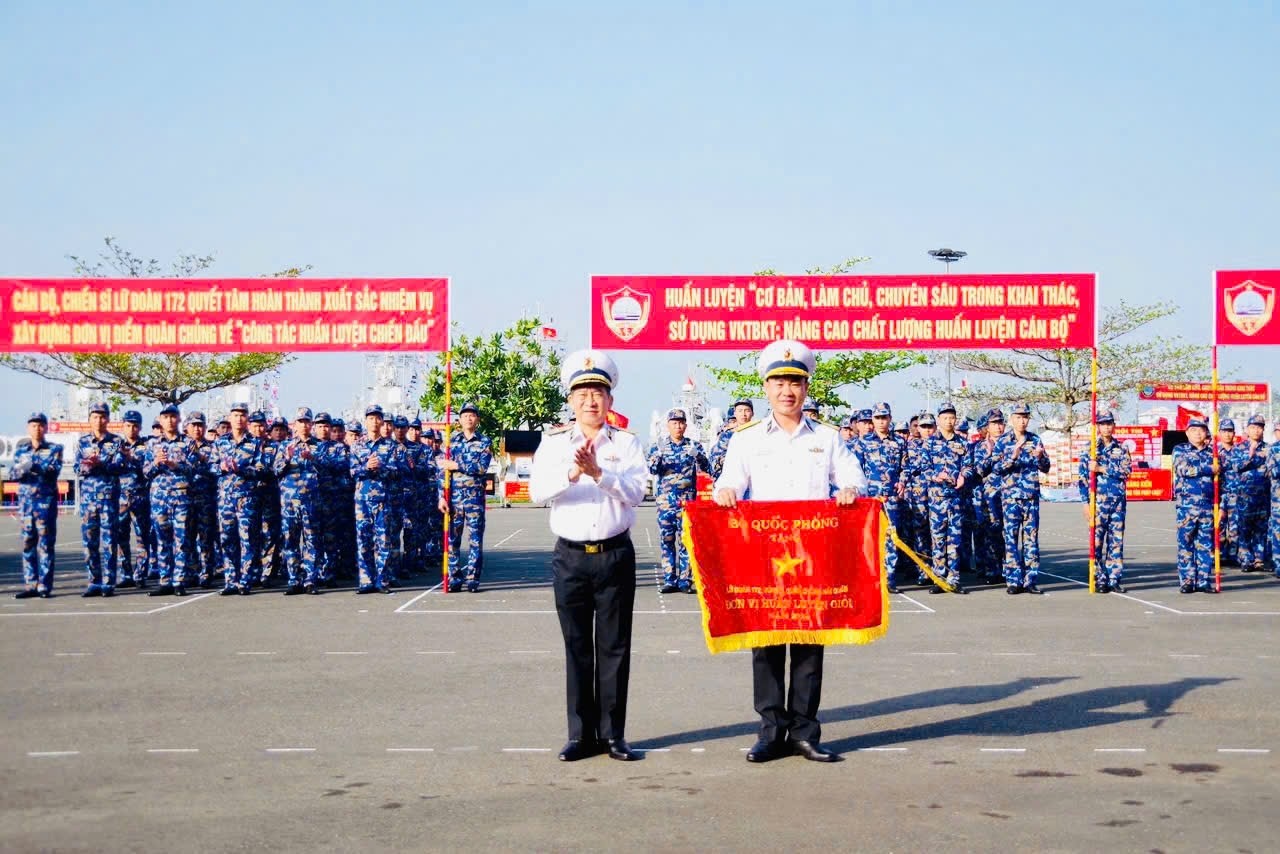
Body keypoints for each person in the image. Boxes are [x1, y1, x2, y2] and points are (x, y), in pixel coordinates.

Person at [714, 339, 867, 763]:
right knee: (765, 644)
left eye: (796, 382)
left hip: (812, 554)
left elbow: (852, 476)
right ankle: (769, 731)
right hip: (762, 555)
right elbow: (728, 482)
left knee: (807, 643)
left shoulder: (829, 438)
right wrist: (725, 491)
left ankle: (804, 731)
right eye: (779, 381)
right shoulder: (745, 440)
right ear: (766, 387)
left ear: (805, 387)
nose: (788, 390)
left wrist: (850, 489)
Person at [529, 350, 647, 762]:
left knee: (614, 648)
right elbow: (536, 492)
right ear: (571, 400)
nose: (590, 401)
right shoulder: (554, 442)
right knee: (577, 646)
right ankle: (580, 735)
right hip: (571, 558)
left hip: (614, 554)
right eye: (582, 393)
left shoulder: (627, 444)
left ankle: (613, 734)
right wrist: (572, 472)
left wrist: (601, 473)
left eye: (598, 392)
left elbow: (637, 493)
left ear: (610, 400)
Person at [646, 408, 709, 594]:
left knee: (686, 541)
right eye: (674, 423)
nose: (678, 426)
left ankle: (685, 580)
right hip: (666, 502)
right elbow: (652, 469)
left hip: (687, 502)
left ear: (686, 425)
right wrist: (658, 455)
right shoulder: (659, 446)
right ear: (668, 426)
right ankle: (669, 579)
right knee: (667, 540)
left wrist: (697, 455)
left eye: (681, 423)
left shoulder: (693, 445)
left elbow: (707, 468)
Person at [994, 402, 1051, 595]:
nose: (1022, 421)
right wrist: (1013, 455)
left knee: (1031, 540)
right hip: (1010, 498)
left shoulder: (1035, 439)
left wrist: (1041, 457)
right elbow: (996, 469)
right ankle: (1013, 579)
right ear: (1011, 419)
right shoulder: (1003, 441)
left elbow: (1046, 467)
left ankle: (1030, 579)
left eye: (1025, 417)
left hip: (1030, 497)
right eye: (1018, 417)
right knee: (1010, 539)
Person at [437, 402, 492, 592]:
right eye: (465, 415)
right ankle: (454, 578)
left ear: (477, 419)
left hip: (475, 499)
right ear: (459, 420)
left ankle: (473, 579)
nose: (469, 418)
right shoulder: (451, 442)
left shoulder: (484, 442)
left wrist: (457, 465)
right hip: (454, 499)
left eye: (472, 415)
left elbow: (481, 467)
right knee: (452, 540)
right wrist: (441, 497)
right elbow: (443, 470)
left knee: (475, 540)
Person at [853, 401, 907, 594]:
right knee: (869, 538)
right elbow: (855, 469)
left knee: (890, 538)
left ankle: (889, 578)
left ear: (890, 419)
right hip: (870, 499)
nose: (881, 421)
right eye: (877, 418)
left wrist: (902, 481)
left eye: (884, 417)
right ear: (872, 420)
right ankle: (869, 577)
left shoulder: (900, 442)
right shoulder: (864, 442)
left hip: (891, 498)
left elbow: (905, 467)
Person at [145, 404, 197, 596]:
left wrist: (175, 465)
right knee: (162, 540)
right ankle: (165, 580)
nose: (169, 420)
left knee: (181, 540)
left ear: (178, 419)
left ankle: (179, 580)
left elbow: (194, 470)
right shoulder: (152, 444)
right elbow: (145, 472)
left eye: (172, 416)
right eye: (165, 417)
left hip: (181, 498)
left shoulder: (188, 443)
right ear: (160, 419)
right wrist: (156, 464)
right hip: (160, 499)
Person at [351, 405, 404, 594]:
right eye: (371, 418)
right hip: (362, 500)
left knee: (383, 540)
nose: (374, 421)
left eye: (377, 418)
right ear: (366, 421)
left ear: (382, 421)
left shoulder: (390, 446)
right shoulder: (357, 445)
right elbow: (352, 471)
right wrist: (367, 467)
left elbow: (397, 471)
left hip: (382, 499)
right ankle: (366, 581)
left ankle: (382, 580)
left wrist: (380, 466)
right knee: (363, 540)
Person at [1078, 410, 1132, 593]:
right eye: (1103, 423)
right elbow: (1083, 479)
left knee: (1116, 541)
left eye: (1109, 423)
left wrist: (1101, 468)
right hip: (1098, 502)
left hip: (1117, 502)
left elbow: (1126, 472)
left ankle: (1114, 577)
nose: (1106, 427)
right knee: (1097, 541)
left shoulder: (1122, 448)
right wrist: (1086, 503)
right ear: (1098, 426)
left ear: (1113, 425)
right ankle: (1099, 577)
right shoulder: (1090, 449)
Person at [920, 402, 971, 594]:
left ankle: (954, 579)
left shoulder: (963, 443)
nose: (949, 421)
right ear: (939, 420)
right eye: (945, 418)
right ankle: (938, 578)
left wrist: (963, 475)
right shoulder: (930, 443)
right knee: (938, 539)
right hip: (937, 499)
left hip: (956, 498)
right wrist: (936, 476)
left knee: (955, 540)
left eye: (952, 417)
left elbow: (969, 465)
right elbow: (923, 470)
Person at [13, 412, 63, 599]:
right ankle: (30, 584)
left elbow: (53, 470)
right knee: (27, 543)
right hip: (26, 505)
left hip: (45, 504)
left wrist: (32, 466)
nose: (37, 428)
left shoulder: (54, 448)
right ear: (28, 428)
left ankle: (44, 585)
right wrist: (20, 468)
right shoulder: (21, 450)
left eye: (40, 425)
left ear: (46, 427)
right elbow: (13, 472)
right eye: (33, 425)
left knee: (46, 545)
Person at [75, 402, 123, 597]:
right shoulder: (82, 442)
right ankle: (94, 581)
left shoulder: (116, 441)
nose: (99, 420)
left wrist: (101, 462)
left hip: (108, 498)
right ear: (89, 419)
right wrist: (87, 465)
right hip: (88, 501)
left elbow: (119, 466)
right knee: (89, 541)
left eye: (102, 416)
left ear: (108, 419)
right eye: (95, 416)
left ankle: (109, 582)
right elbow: (77, 469)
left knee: (110, 541)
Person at [214, 403, 262, 595]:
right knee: (227, 540)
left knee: (247, 540)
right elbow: (211, 466)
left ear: (247, 418)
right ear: (230, 417)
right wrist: (222, 468)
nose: (239, 419)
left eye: (242, 415)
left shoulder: (255, 443)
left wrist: (241, 468)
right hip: (225, 499)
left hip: (246, 498)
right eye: (235, 415)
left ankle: (245, 580)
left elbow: (261, 469)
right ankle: (230, 580)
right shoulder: (220, 442)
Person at [1173, 417, 1218, 593]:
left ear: (1206, 432)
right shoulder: (1180, 450)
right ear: (1187, 432)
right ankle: (1187, 580)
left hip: (1207, 505)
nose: (1198, 432)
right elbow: (1183, 469)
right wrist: (1208, 469)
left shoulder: (1212, 453)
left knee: (1205, 545)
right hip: (1186, 506)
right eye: (1194, 429)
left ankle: (1203, 580)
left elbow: (1220, 474)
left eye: (1201, 429)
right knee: (1186, 543)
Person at [114, 410, 152, 589]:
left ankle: (140, 574)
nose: (131, 429)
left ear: (140, 427)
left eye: (135, 426)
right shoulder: (115, 445)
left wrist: (132, 458)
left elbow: (148, 468)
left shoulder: (146, 445)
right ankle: (125, 574)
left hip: (140, 498)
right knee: (121, 537)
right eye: (128, 425)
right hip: (120, 498)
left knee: (142, 538)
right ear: (123, 426)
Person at [183, 411, 220, 588]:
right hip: (185, 499)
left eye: (200, 425)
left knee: (206, 538)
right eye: (193, 425)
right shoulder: (180, 446)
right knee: (186, 538)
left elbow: (216, 470)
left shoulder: (212, 447)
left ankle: (207, 572)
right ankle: (191, 571)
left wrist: (201, 459)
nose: (197, 429)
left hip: (206, 500)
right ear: (187, 427)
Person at [970, 409, 1007, 584]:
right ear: (987, 427)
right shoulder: (980, 447)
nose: (998, 427)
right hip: (986, 496)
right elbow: (979, 470)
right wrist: (992, 455)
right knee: (988, 532)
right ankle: (990, 569)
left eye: (1000, 423)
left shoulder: (1010, 444)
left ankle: (1007, 568)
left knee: (1006, 533)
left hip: (1007, 495)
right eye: (994, 423)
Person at [1230, 414, 1269, 573]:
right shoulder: (1239, 448)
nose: (1256, 431)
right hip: (1244, 497)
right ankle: (1246, 559)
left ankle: (1259, 559)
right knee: (1244, 530)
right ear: (1247, 429)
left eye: (1259, 427)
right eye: (1253, 427)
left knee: (1261, 530)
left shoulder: (1268, 448)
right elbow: (1236, 467)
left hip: (1263, 497)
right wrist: (1250, 455)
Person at [1217, 419, 1240, 565]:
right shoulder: (1213, 452)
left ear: (1234, 433)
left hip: (1236, 495)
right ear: (1219, 433)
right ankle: (1219, 554)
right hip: (1219, 495)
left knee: (1235, 526)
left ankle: (1233, 555)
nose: (1227, 434)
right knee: (1218, 525)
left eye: (1229, 431)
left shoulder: (1239, 451)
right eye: (1224, 431)